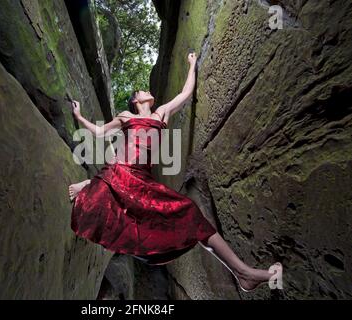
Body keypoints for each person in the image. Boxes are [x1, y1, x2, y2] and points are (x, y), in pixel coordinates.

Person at [68, 52, 281, 292]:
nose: (147, 92)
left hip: (142, 181)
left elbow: (185, 94)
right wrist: (78, 116)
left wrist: (192, 64)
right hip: (121, 171)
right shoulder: (126, 116)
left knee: (190, 212)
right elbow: (99, 133)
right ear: (136, 100)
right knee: (109, 184)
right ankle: (89, 186)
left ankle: (242, 273)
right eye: (142, 91)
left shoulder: (161, 114)